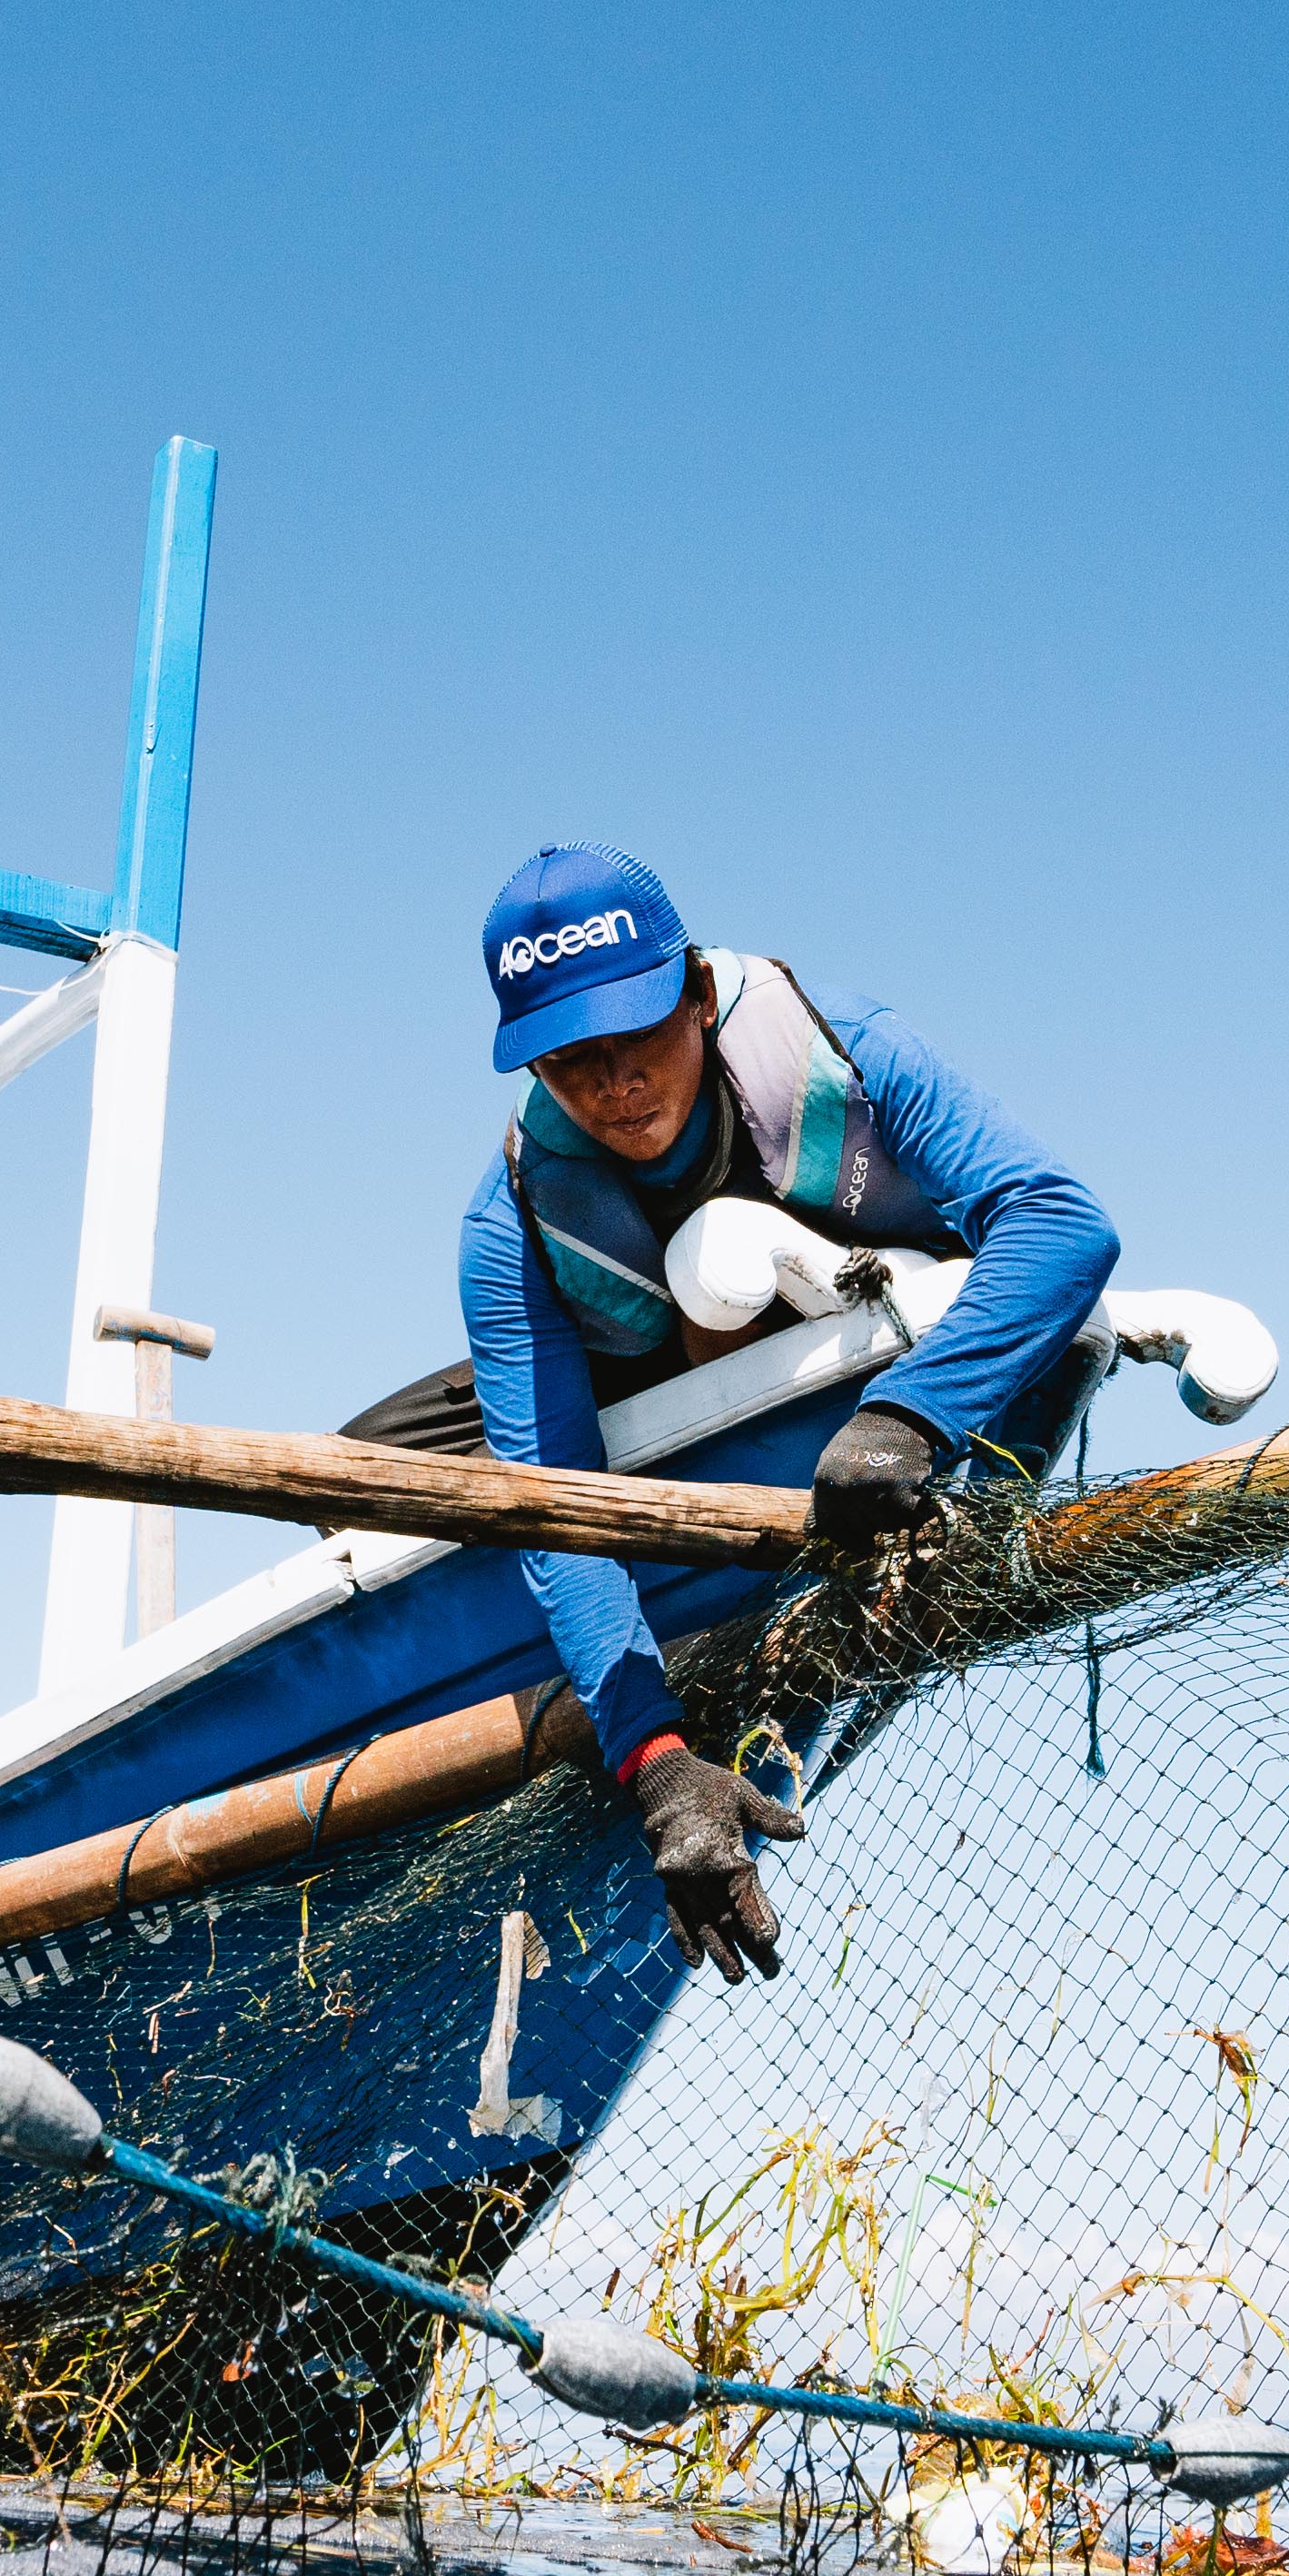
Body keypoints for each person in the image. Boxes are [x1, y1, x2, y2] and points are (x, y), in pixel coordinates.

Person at [426, 847, 1115, 1979]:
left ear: (697, 995)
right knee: (383, 1460)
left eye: (634, 1037)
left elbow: (1060, 1224)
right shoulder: (508, 1225)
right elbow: (558, 1511)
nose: (612, 1085)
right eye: (566, 1062)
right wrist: (653, 1761)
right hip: (630, 1411)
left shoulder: (848, 1047)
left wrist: (909, 1419)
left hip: (893, 1361)